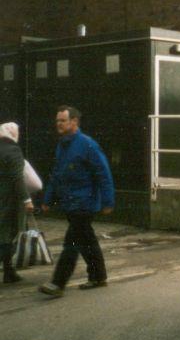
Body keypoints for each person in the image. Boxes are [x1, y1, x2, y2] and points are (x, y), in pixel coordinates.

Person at [38, 106, 115, 298]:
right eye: (57, 121)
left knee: (71, 242)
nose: (58, 124)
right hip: (71, 203)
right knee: (86, 240)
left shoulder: (87, 144)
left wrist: (108, 201)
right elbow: (56, 175)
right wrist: (47, 199)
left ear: (74, 122)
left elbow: (103, 173)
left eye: (62, 120)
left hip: (85, 203)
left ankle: (58, 283)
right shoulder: (62, 145)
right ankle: (98, 276)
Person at [0, 123, 33, 284]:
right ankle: (8, 270)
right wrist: (27, 200)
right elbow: (18, 178)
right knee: (8, 235)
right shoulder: (13, 151)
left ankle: (9, 271)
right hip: (9, 201)